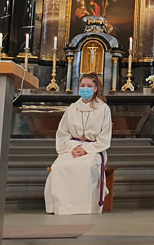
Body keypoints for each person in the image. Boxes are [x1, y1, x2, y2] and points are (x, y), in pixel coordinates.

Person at [44, 73, 112, 215]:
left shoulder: (103, 109)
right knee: (59, 167)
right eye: (82, 86)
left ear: (95, 89)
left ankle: (84, 207)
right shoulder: (72, 108)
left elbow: (104, 138)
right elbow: (62, 133)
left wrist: (85, 149)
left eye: (89, 86)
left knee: (85, 167)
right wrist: (74, 148)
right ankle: (61, 206)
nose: (85, 89)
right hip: (71, 148)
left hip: (93, 149)